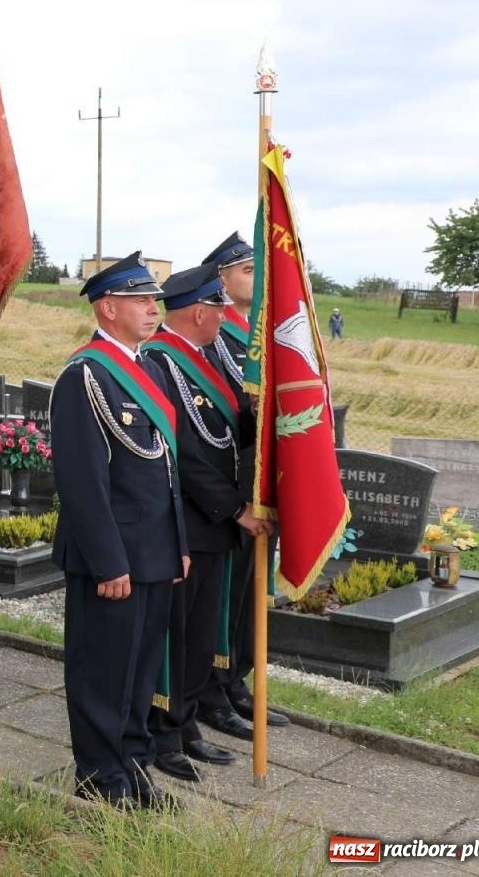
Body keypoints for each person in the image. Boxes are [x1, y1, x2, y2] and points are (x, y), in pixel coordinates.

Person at [50, 251, 188, 809]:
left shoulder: (147, 369)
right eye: (141, 300)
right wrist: (109, 561)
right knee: (103, 672)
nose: (154, 308)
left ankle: (132, 764)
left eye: (154, 300)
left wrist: (178, 545)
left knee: (139, 673)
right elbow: (83, 482)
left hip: (154, 551)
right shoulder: (84, 376)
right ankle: (100, 776)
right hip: (113, 559)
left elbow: (166, 469)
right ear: (108, 308)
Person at [140, 263, 261, 784]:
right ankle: (163, 733)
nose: (225, 317)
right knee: (176, 636)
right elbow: (184, 452)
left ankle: (186, 723)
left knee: (200, 634)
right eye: (218, 308)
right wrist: (234, 508)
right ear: (197, 311)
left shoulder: (204, 357)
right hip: (188, 520)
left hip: (213, 523)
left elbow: (227, 430)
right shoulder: (160, 361)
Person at [197, 231, 289, 737]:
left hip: (261, 478)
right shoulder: (216, 336)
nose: (257, 278)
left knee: (250, 593)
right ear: (221, 280)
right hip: (232, 482)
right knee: (227, 593)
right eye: (247, 270)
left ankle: (237, 680)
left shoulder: (258, 331)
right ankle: (214, 687)